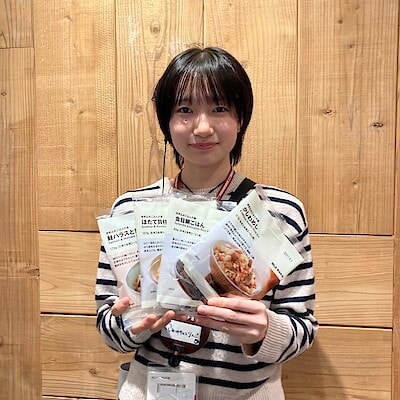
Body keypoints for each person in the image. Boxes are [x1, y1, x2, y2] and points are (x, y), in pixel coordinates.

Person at [95, 46, 318, 400]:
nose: (202, 127)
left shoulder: (279, 211)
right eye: (185, 110)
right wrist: (131, 325)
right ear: (167, 122)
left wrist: (265, 330)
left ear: (241, 118)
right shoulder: (133, 209)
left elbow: (303, 328)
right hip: (151, 391)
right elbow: (108, 324)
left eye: (219, 109)